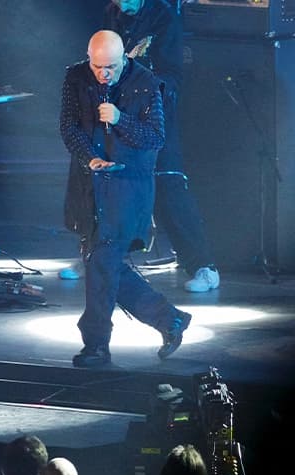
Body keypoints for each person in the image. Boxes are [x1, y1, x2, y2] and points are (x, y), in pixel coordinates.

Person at [59, 30, 193, 367]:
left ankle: (96, 345)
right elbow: (69, 127)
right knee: (104, 265)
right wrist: (90, 158)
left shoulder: (146, 83)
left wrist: (121, 119)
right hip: (91, 185)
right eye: (97, 66)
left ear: (124, 60)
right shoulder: (75, 77)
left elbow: (155, 137)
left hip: (128, 188)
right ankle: (169, 319)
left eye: (111, 67)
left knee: (102, 263)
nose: (104, 74)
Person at [99, 0, 220, 293]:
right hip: (120, 115)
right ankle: (103, 259)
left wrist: (140, 89)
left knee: (169, 187)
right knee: (110, 186)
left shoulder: (163, 18)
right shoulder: (113, 16)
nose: (121, 3)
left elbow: (172, 76)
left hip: (155, 116)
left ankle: (204, 266)